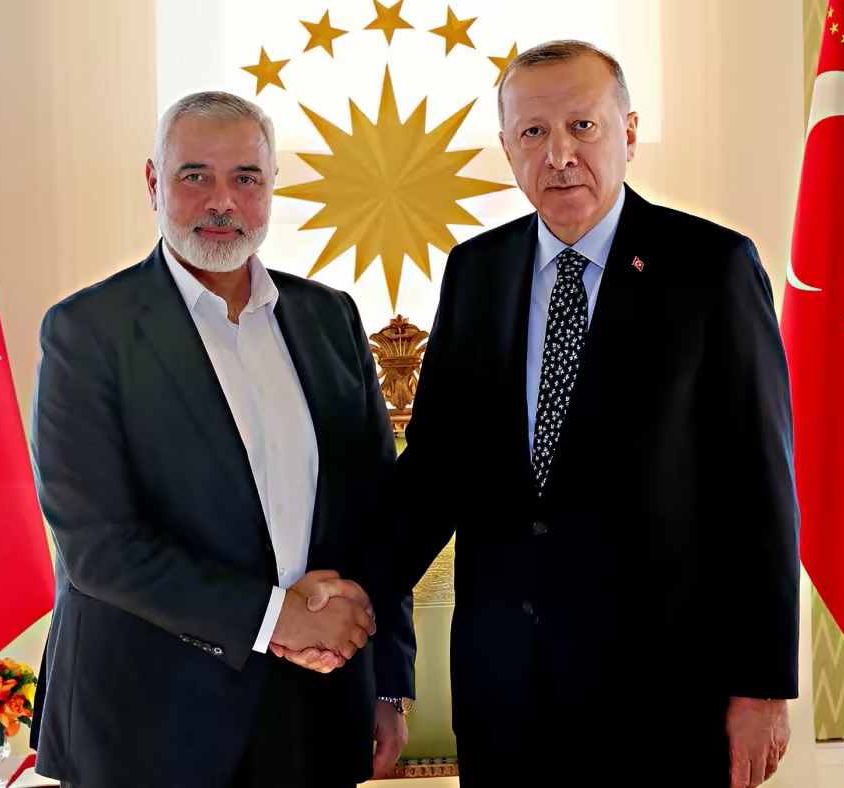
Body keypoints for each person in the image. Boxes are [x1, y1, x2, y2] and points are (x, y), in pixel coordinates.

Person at [313, 39, 800, 787]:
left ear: (628, 133)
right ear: (508, 146)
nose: (560, 155)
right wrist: (352, 596)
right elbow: (433, 475)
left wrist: (762, 686)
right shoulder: (477, 272)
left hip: (664, 695)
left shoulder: (712, 268)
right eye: (534, 132)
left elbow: (759, 489)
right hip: (506, 694)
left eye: (583, 126)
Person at [25, 91, 416, 788]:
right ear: (154, 182)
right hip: (146, 722)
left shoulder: (330, 318)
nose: (222, 202)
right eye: (195, 175)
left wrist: (387, 682)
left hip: (315, 711)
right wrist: (274, 619)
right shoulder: (88, 331)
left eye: (245, 178)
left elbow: (376, 515)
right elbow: (98, 545)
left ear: (271, 185)